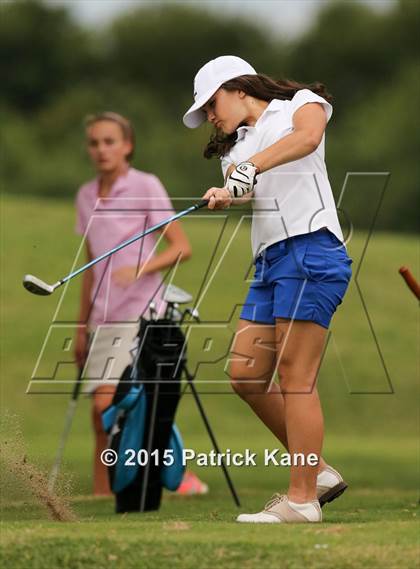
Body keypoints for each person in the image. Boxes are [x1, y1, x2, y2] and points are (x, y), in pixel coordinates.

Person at [183, 56, 352, 523]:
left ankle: (302, 500)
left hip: (312, 248)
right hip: (270, 260)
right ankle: (315, 469)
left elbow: (307, 138)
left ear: (239, 88)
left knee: (295, 378)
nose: (210, 117)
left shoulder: (300, 104)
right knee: (245, 373)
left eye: (212, 104)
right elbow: (247, 189)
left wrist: (252, 166)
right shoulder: (234, 151)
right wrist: (226, 191)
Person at [74, 112, 208, 497]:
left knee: (113, 403)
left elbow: (182, 247)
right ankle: (105, 492)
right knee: (103, 414)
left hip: (144, 311)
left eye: (109, 141)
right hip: (103, 317)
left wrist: (139, 268)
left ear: (127, 145)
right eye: (95, 143)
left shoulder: (146, 185)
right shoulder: (85, 196)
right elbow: (89, 265)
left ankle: (173, 473)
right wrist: (79, 327)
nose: (101, 149)